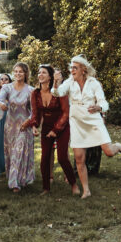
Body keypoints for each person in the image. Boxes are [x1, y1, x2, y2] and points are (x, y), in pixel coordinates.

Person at [52, 55, 121, 199]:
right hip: (76, 122)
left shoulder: (94, 83)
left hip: (93, 119)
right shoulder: (69, 82)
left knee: (109, 152)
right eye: (71, 68)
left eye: (75, 68)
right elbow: (57, 93)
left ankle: (117, 146)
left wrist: (99, 107)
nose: (72, 70)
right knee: (79, 158)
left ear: (83, 69)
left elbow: (104, 103)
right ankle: (86, 190)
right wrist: (56, 82)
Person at [22, 65, 77, 195]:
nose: (40, 75)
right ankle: (46, 187)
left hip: (62, 126)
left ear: (50, 77)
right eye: (39, 72)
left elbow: (65, 113)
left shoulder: (58, 91)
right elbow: (35, 114)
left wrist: (56, 130)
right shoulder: (35, 93)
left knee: (62, 157)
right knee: (45, 157)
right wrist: (34, 126)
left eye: (44, 73)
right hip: (46, 127)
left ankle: (74, 184)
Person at [0, 62, 35, 193]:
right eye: (16, 71)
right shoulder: (7, 88)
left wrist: (28, 121)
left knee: (19, 152)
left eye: (21, 72)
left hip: (24, 126)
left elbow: (34, 111)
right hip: (10, 126)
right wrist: (0, 104)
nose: (18, 74)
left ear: (25, 74)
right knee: (12, 154)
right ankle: (19, 179)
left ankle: (14, 183)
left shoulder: (31, 90)